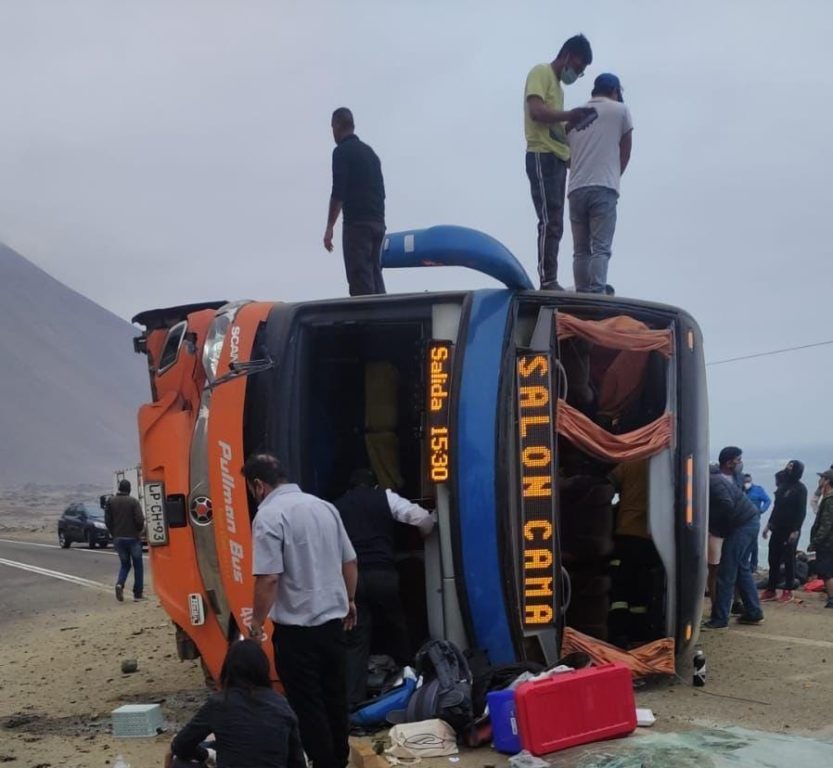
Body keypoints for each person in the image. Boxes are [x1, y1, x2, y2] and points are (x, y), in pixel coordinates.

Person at [246, 453, 357, 768]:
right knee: (336, 696)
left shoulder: (269, 516)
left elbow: (268, 578)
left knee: (308, 705)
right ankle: (339, 757)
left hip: (296, 633)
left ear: (258, 486)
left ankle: (325, 763)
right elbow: (350, 562)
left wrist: (255, 626)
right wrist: (349, 600)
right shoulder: (325, 508)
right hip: (333, 626)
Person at [333, 468, 436, 709]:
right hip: (384, 575)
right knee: (398, 627)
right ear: (375, 486)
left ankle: (353, 701)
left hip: (352, 581)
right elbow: (422, 519)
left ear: (349, 488)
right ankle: (412, 684)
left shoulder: (336, 507)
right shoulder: (384, 497)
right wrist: (426, 533)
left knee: (357, 640)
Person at [524, 34, 594, 290]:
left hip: (555, 156)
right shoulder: (541, 73)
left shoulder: (559, 88)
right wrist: (569, 114)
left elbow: (556, 128)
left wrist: (573, 123)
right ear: (566, 55)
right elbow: (537, 111)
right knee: (549, 218)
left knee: (556, 220)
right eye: (577, 67)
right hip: (541, 155)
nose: (576, 73)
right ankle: (547, 279)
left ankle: (550, 277)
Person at [167, 639, 306, 768]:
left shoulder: (219, 703)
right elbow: (297, 760)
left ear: (228, 668)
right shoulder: (281, 704)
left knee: (180, 762)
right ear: (264, 668)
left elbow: (180, 745)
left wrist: (207, 755)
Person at [567, 72, 633, 294]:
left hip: (576, 188)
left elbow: (567, 156)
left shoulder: (575, 117)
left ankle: (581, 294)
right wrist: (614, 175)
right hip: (603, 186)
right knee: (601, 248)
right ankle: (596, 293)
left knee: (580, 250)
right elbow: (625, 151)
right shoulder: (620, 111)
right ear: (615, 91)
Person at [324, 107, 386, 296]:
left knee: (361, 283)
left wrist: (329, 227)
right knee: (375, 276)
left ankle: (367, 323)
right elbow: (381, 192)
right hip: (378, 225)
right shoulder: (371, 154)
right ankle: (386, 319)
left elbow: (338, 192)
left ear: (336, 126)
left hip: (357, 226)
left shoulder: (341, 152)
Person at [703, 457, 764, 629]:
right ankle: (754, 612)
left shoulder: (712, 482)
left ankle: (720, 619)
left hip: (742, 525)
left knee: (726, 572)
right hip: (749, 521)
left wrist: (719, 529)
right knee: (742, 569)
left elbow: (726, 505)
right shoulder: (716, 480)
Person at [607, 459, 662, 647]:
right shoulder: (662, 463)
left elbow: (608, 486)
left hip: (627, 533)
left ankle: (619, 634)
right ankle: (639, 634)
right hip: (651, 538)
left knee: (620, 590)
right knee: (642, 589)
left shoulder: (630, 461)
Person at [761, 460, 807, 603]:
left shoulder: (800, 489)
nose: (788, 468)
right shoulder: (783, 486)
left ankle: (788, 590)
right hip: (778, 527)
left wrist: (796, 530)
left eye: (791, 467)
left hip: (791, 529)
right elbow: (777, 507)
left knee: (788, 559)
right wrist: (768, 525)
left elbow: (801, 511)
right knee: (773, 558)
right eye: (788, 466)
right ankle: (771, 589)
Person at [706, 447, 743, 610]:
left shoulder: (738, 478)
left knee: (736, 566)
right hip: (715, 530)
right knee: (714, 568)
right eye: (737, 460)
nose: (740, 463)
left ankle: (737, 601)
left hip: (734, 529)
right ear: (729, 462)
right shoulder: (712, 478)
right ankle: (716, 605)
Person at [104, 479, 145, 602]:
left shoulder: (110, 502)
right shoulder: (133, 501)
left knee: (125, 564)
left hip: (118, 539)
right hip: (133, 538)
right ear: (129, 489)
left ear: (119, 488)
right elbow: (139, 520)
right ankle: (137, 594)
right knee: (138, 566)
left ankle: (119, 584)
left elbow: (107, 520)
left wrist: (114, 533)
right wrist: (138, 531)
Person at [809, 470, 833, 609]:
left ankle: (831, 598)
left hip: (828, 542)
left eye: (822, 478)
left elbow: (826, 523)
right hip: (828, 541)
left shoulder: (829, 499)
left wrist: (816, 541)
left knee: (827, 571)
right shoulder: (827, 497)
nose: (820, 481)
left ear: (827, 481)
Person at [743, 473, 771, 572]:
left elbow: (767, 500)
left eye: (748, 481)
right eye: (745, 482)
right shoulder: (740, 490)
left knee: (753, 542)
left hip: (754, 519)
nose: (747, 484)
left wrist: (762, 510)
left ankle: (753, 565)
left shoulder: (758, 489)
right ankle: (744, 562)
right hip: (742, 520)